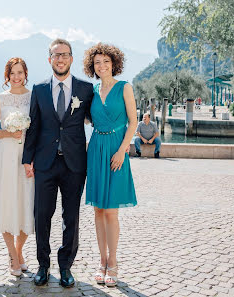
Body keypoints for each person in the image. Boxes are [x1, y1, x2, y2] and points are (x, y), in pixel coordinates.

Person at [22, 39, 93, 288]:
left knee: (70, 217)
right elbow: (33, 127)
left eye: (64, 55)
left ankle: (65, 266)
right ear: (49, 59)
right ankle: (43, 265)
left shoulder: (85, 89)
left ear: (71, 58)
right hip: (44, 163)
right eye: (55, 55)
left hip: (75, 164)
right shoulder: (39, 89)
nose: (60, 59)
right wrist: (26, 160)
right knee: (42, 215)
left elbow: (98, 119)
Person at [83, 43, 138, 287]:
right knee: (97, 209)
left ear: (114, 63)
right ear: (92, 66)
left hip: (117, 149)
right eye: (97, 62)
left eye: (106, 61)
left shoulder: (125, 87)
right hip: (95, 148)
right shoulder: (91, 91)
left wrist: (122, 151)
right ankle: (101, 261)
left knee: (111, 211)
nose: (102, 65)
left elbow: (134, 121)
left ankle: (113, 262)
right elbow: (85, 118)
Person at [0, 58, 34, 277]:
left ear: (25, 74)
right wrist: (9, 133)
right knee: (6, 203)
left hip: (27, 157)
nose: (16, 76)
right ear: (7, 75)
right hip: (5, 156)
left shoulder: (34, 97)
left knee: (27, 204)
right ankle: (12, 256)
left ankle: (19, 251)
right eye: (12, 73)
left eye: (20, 72)